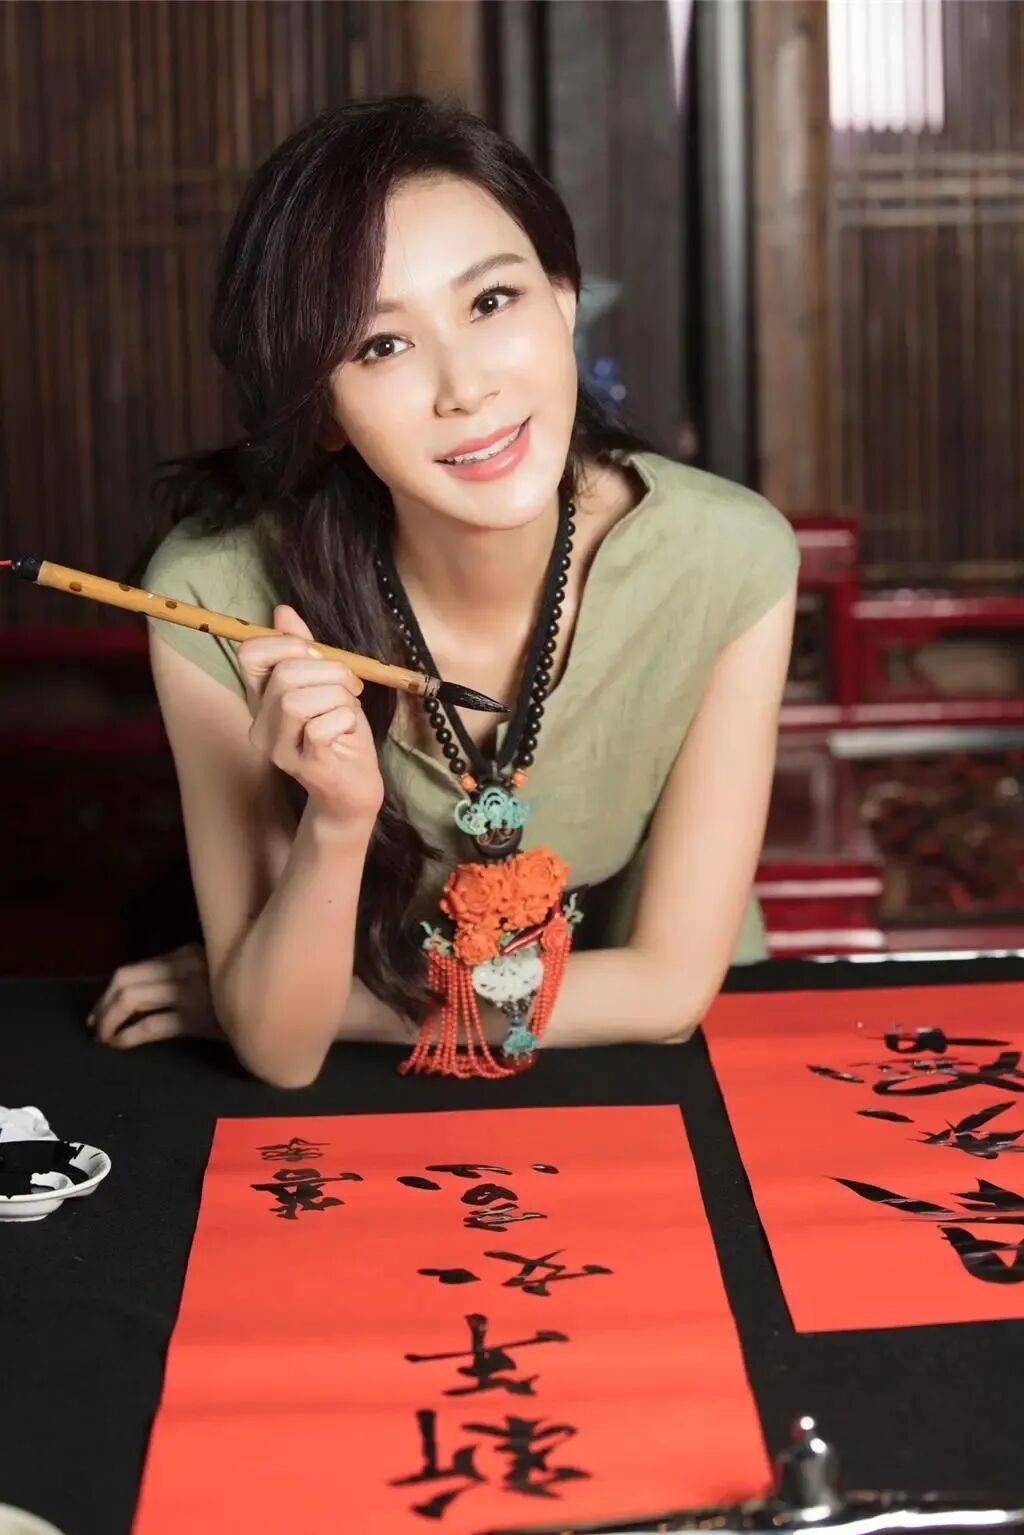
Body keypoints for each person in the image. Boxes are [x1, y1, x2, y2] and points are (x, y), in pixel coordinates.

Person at [85, 94, 798, 1086]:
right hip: (376, 1103)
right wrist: (339, 817)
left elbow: (669, 990)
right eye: (381, 345)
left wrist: (292, 1000)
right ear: (324, 410)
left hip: (662, 1066)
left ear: (563, 298)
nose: (464, 388)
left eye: (491, 301)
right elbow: (282, 1054)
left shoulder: (727, 556)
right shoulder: (216, 599)